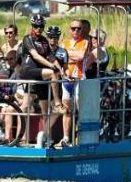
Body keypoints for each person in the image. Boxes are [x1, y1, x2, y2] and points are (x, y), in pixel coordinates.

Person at [17, 12, 60, 146]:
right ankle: (21, 138)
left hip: (41, 75)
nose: (38, 29)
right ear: (32, 25)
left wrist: (62, 71)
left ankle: (47, 138)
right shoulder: (27, 38)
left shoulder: (44, 41)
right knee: (24, 107)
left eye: (41, 26)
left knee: (45, 110)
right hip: (29, 71)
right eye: (36, 26)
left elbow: (52, 57)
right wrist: (52, 67)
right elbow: (35, 56)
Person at [60, 18, 92, 145]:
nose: (76, 31)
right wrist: (70, 55)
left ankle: (82, 136)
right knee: (67, 109)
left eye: (79, 28)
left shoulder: (85, 42)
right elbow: (59, 57)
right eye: (73, 28)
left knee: (80, 109)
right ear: (69, 30)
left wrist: (67, 55)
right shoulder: (64, 42)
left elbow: (80, 56)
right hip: (67, 79)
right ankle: (66, 137)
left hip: (79, 79)